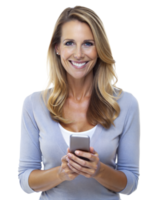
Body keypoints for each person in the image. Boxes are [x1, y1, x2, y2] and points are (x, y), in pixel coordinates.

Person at [16, 5, 141, 200]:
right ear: (57, 47)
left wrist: (99, 171)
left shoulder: (126, 104)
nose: (79, 54)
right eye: (69, 43)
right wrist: (61, 173)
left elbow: (131, 184)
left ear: (99, 48)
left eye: (88, 43)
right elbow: (25, 182)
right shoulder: (34, 104)